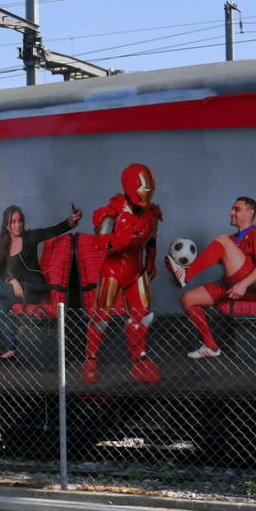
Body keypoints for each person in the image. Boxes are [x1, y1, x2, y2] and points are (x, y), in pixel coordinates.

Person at [82, 164, 163, 384]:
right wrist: (121, 238)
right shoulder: (114, 210)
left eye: (150, 187)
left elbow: (152, 239)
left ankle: (139, 360)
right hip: (113, 269)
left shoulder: (151, 214)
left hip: (136, 268)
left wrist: (150, 261)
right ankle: (90, 359)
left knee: (141, 315)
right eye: (143, 187)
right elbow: (100, 245)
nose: (148, 192)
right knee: (102, 316)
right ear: (130, 186)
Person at [166, 196, 256, 359]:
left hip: (251, 287)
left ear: (250, 213)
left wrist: (243, 284)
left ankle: (186, 275)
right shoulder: (231, 240)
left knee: (221, 240)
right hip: (229, 285)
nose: (231, 213)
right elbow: (209, 261)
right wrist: (179, 269)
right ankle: (211, 346)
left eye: (236, 209)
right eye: (232, 209)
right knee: (188, 299)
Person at [0, 204, 82, 360]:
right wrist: (12, 280)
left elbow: (53, 230)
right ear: (7, 224)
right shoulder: (5, 245)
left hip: (34, 290)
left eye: (19, 221)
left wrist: (72, 221)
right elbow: (2, 271)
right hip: (20, 290)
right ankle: (12, 347)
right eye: (13, 221)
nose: (17, 225)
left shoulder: (30, 237)